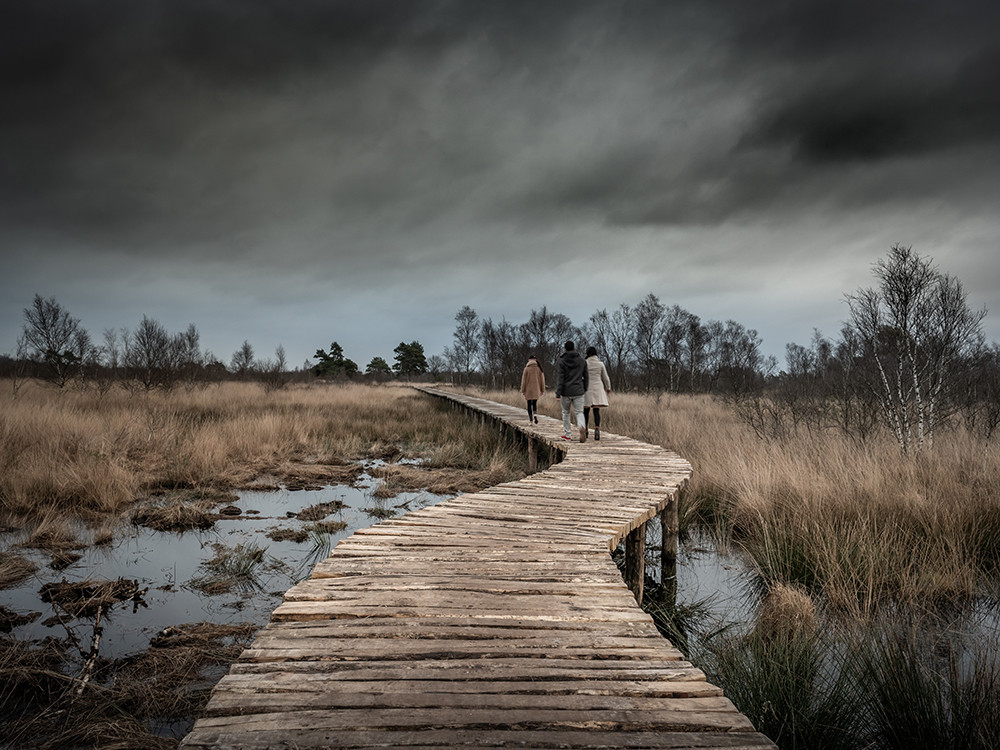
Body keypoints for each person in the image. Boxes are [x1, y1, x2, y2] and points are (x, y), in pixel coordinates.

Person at [555, 340, 589, 442]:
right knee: (579, 412)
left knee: (566, 413)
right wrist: (585, 388)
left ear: (565, 349)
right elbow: (586, 376)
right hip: (578, 390)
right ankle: (582, 426)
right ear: (574, 348)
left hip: (566, 391)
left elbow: (561, 378)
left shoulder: (562, 361)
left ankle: (568, 435)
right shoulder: (582, 361)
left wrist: (558, 393)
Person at [583, 346, 612, 440]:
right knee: (596, 410)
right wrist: (608, 387)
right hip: (597, 387)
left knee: (586, 411)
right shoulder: (600, 364)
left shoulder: (585, 363)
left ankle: (586, 430)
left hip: (587, 387)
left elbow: (581, 376)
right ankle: (597, 430)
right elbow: (606, 377)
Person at [519, 354, 545, 424]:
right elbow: (542, 380)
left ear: (528, 360)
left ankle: (531, 420)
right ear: (535, 360)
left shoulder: (526, 369)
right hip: (536, 389)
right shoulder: (539, 368)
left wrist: (522, 390)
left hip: (528, 390)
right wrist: (542, 390)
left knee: (529, 404)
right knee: (534, 403)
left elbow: (523, 380)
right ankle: (535, 414)